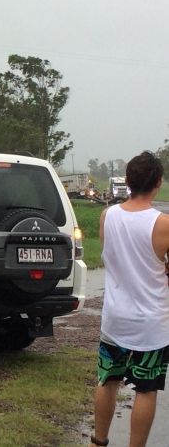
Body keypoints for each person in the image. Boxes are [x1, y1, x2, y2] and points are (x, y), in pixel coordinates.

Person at [91, 151, 169, 447]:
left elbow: (113, 257)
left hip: (115, 318)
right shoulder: (162, 223)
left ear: (128, 182)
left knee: (107, 380)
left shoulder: (106, 215)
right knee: (146, 389)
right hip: (150, 324)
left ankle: (98, 441)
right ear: (157, 183)